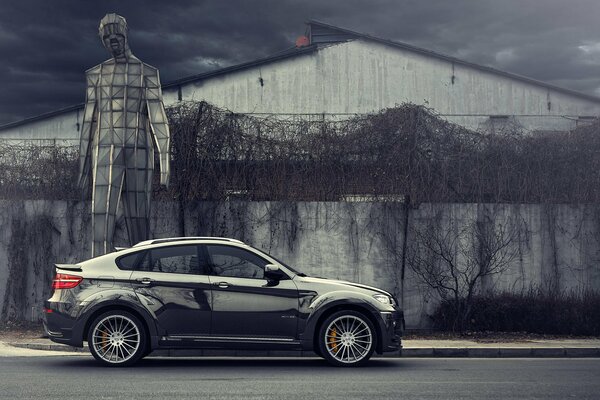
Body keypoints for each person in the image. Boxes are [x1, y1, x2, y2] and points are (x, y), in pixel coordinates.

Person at [78, 13, 170, 257]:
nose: (112, 41)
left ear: (125, 34)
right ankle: (98, 269)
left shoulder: (147, 73)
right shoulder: (96, 75)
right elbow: (88, 122)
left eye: (116, 34)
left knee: (139, 219)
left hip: (140, 147)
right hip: (104, 147)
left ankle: (142, 269)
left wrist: (165, 163)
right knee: (101, 215)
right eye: (106, 38)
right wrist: (83, 168)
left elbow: (158, 117)